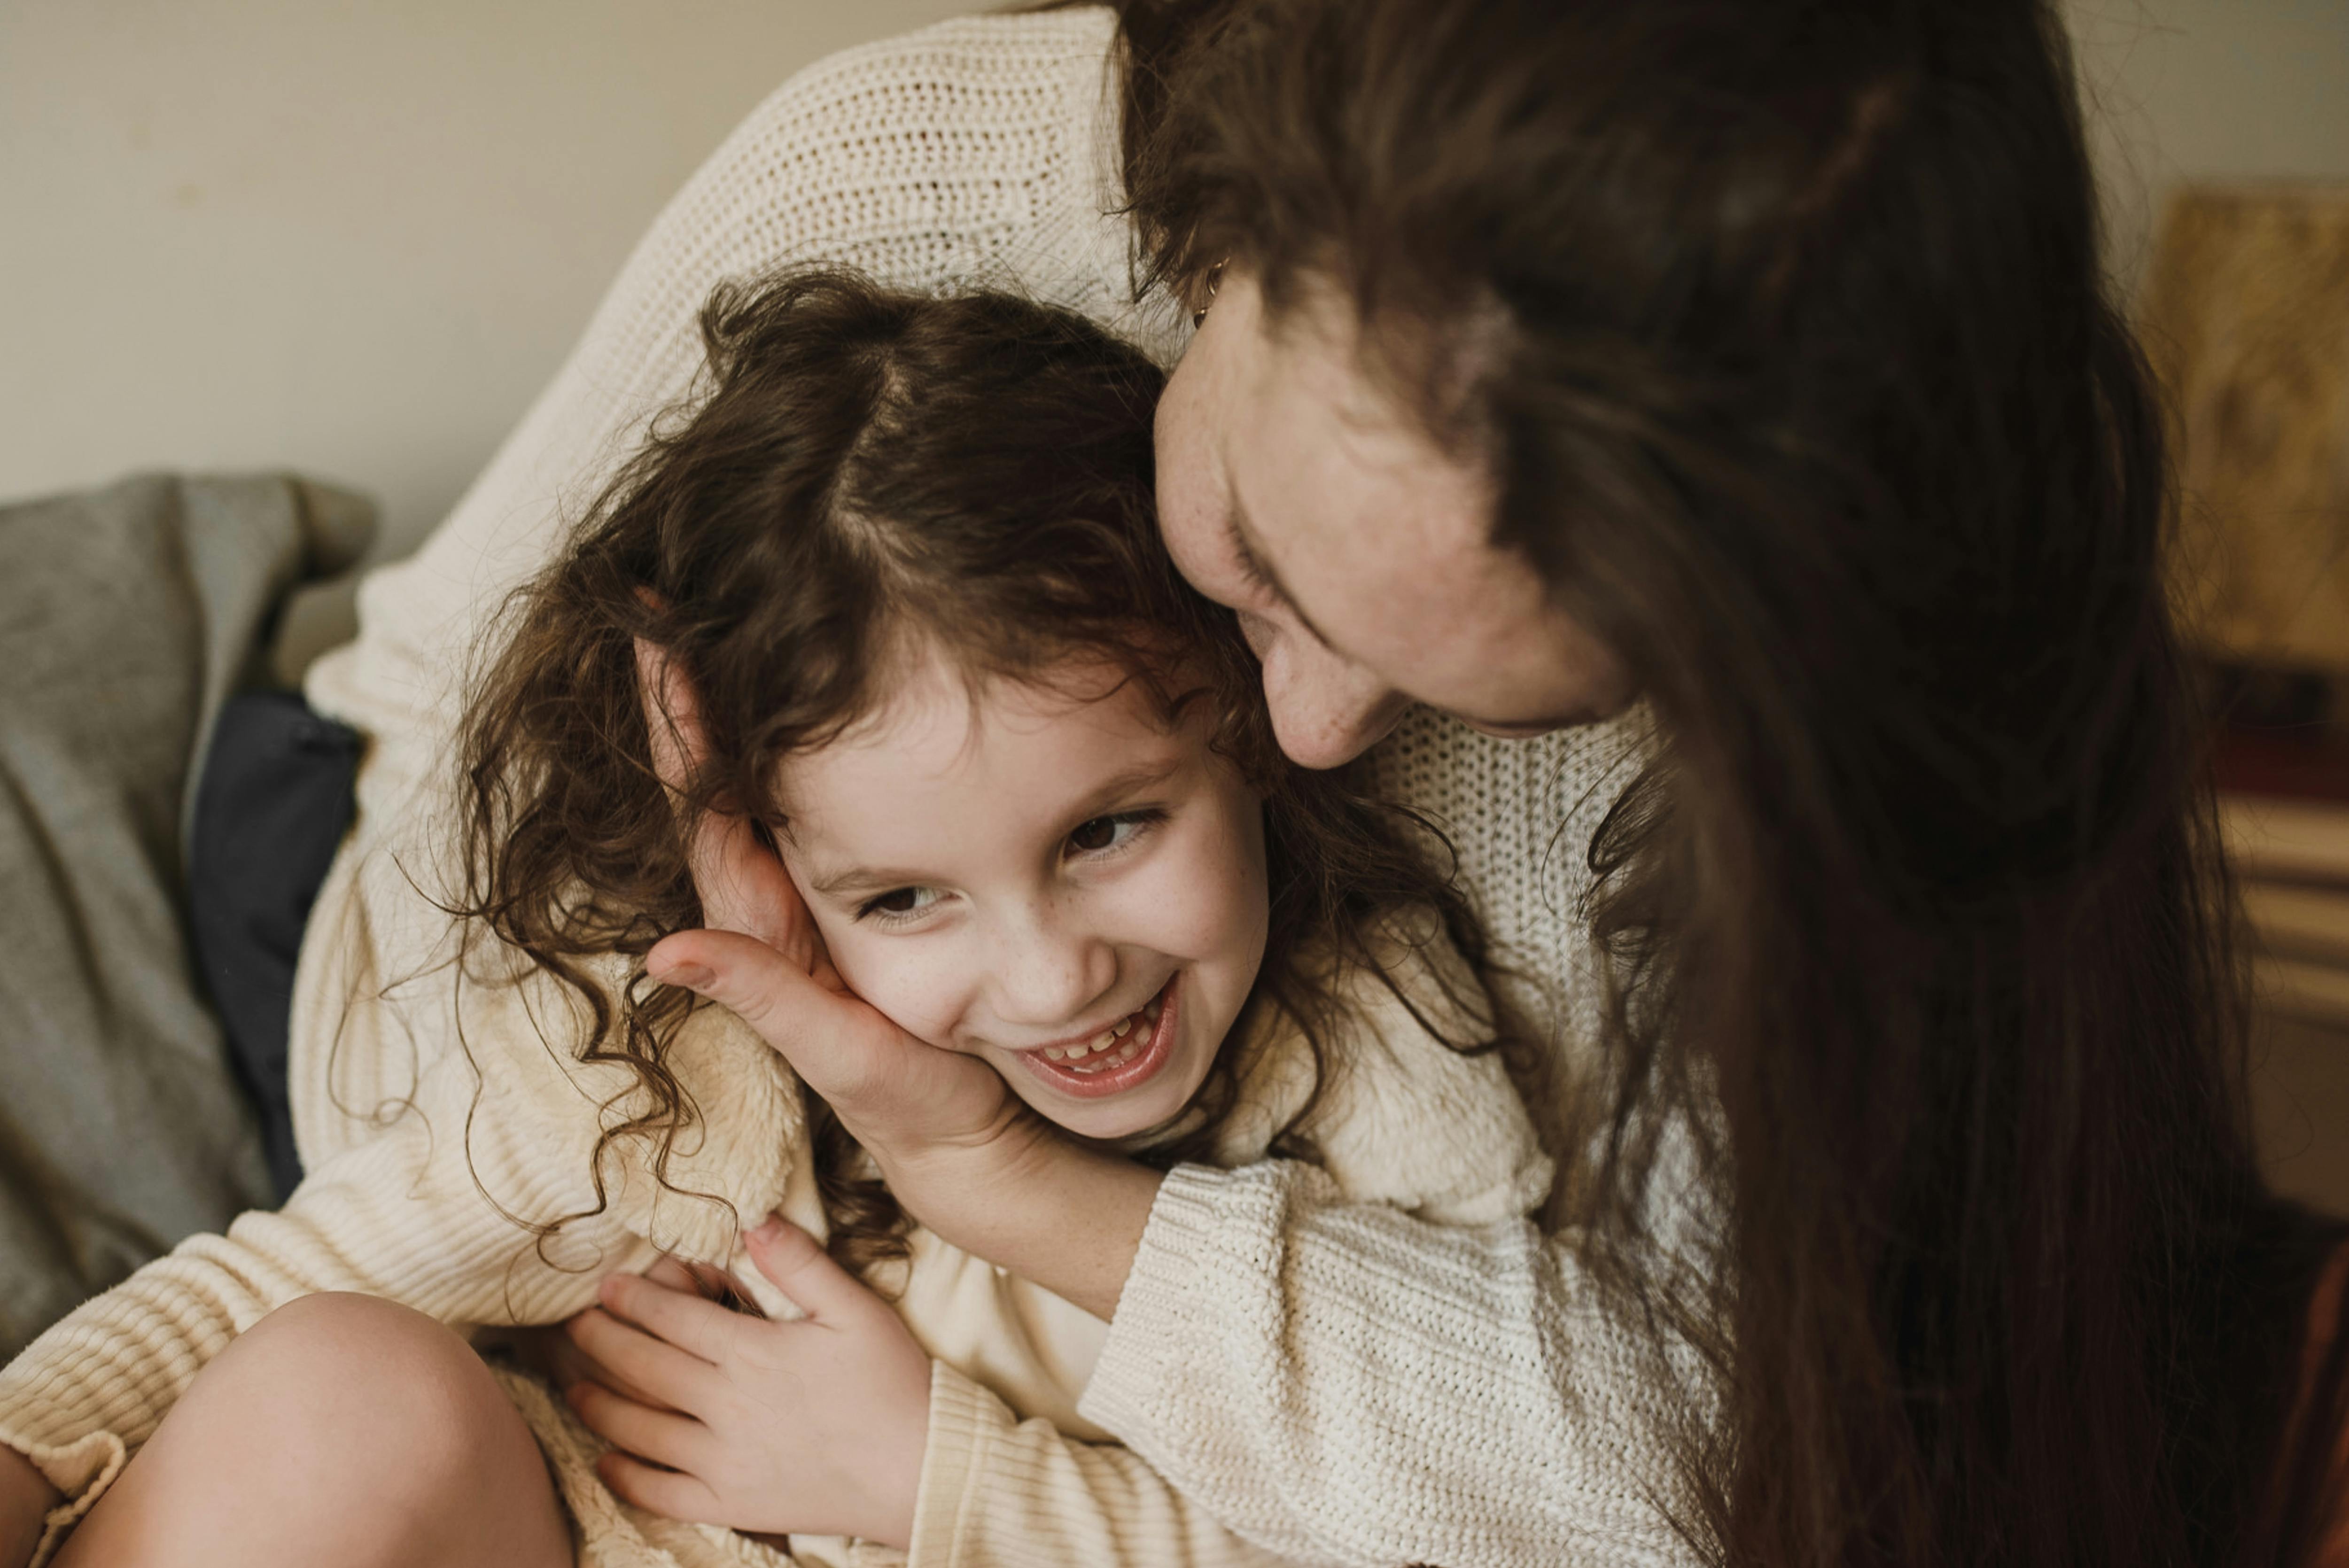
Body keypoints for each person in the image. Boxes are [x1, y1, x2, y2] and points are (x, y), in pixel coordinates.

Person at [5, 0, 2343, 1563]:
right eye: (1254, 570)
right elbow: (441, 843)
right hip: (443, 912)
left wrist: (993, 1216)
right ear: (1211, 241)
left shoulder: (1401, 1066)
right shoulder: (895, 190)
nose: (1312, 740)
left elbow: (1689, 1466)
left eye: (1509, 694)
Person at [0, 268, 1552, 1568]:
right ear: (779, 866)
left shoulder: (1376, 1072)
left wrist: (939, 1481)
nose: (1052, 970)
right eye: (904, 896)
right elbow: (277, 1277)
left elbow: (1455, 1522)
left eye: (1108, 828)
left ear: (1251, 723)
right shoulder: (678, 1063)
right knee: (340, 1391)